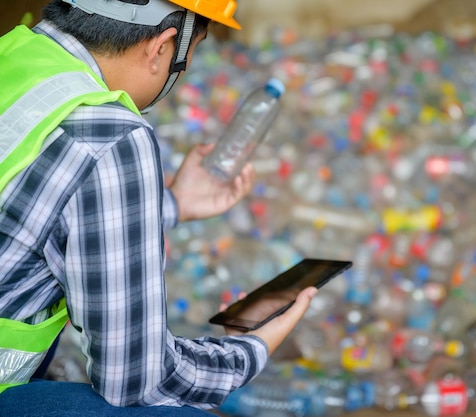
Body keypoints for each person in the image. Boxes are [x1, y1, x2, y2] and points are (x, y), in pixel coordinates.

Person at [0, 0, 318, 415]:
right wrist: (251, 349)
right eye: (189, 55)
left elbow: (28, 209)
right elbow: (136, 380)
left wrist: (175, 204)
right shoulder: (110, 134)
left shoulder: (15, 53)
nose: (182, 73)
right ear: (163, 45)